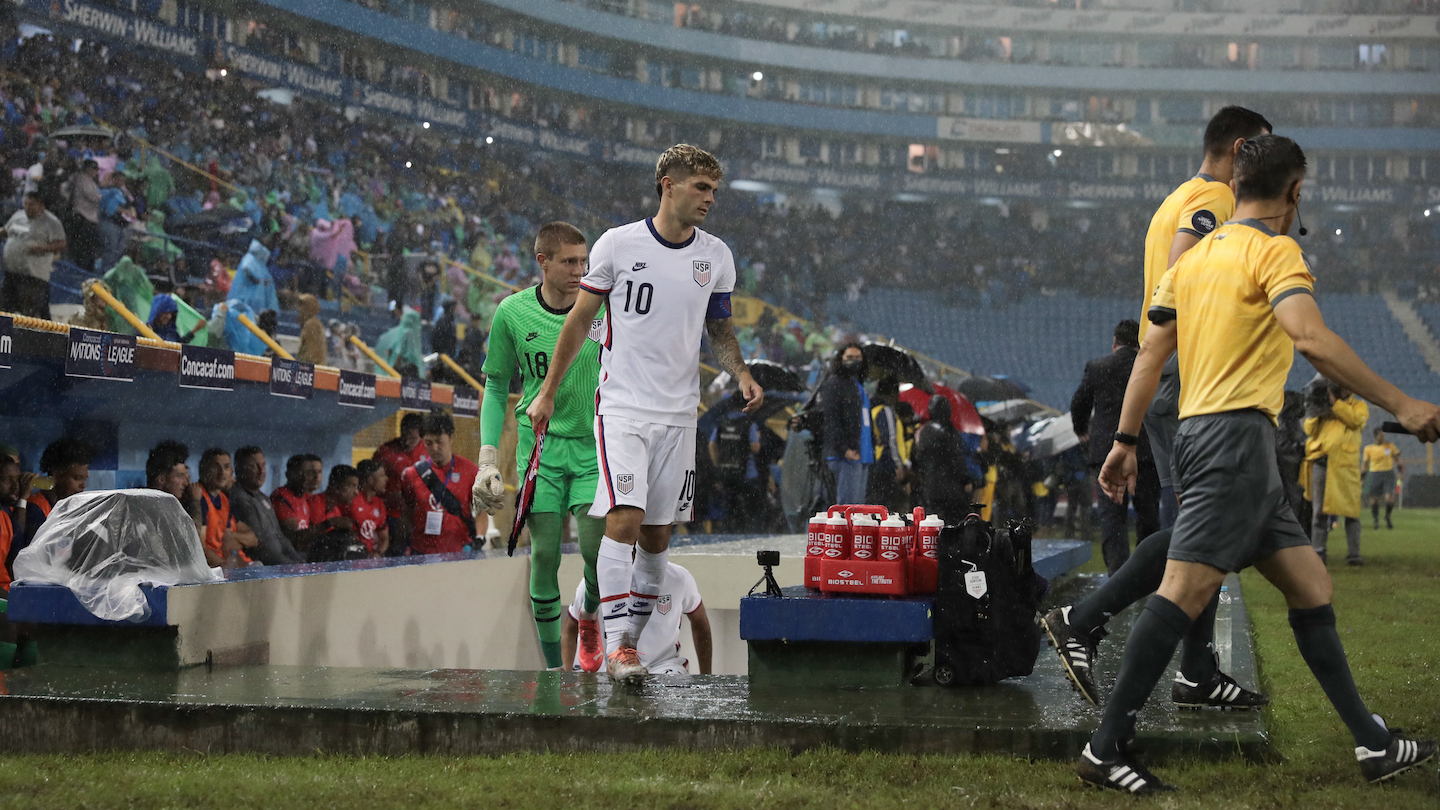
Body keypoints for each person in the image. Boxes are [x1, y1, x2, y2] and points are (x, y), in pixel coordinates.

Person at [1078, 135, 1437, 793]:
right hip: (1234, 442)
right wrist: (1402, 402)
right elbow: (1308, 336)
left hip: (1210, 436)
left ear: (1236, 186)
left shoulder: (1189, 261)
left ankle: (1374, 745)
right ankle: (1106, 749)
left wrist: (1124, 442)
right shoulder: (1277, 252)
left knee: (1310, 586)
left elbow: (1152, 356)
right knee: (1183, 591)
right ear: (1295, 191)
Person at [1043, 107, 1274, 711]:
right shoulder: (1217, 201)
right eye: (1264, 152)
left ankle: (1196, 671)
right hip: (1188, 375)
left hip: (1173, 376)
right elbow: (1183, 263)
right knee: (1197, 530)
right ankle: (1083, 619)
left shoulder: (1176, 196)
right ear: (1242, 148)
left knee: (1200, 529)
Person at [526, 144, 763, 684]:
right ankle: (616, 645)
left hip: (681, 415)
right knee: (624, 520)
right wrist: (547, 392)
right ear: (668, 185)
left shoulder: (716, 256)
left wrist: (742, 371)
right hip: (623, 408)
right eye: (700, 187)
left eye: (714, 191)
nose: (709, 199)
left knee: (658, 538)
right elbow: (577, 321)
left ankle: (628, 644)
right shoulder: (618, 244)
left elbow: (719, 329)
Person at [472, 221, 607, 673]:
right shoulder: (512, 313)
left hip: (593, 449)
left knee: (596, 555)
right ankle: (554, 672)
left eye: (584, 261)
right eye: (569, 261)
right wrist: (487, 459)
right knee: (544, 554)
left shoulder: (605, 309)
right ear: (542, 262)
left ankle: (586, 614)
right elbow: (495, 386)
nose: (579, 270)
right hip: (539, 451)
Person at [1070, 320, 1161, 574]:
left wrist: (1082, 432)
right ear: (1140, 342)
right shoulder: (1151, 366)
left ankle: (1118, 574)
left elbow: (1078, 403)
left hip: (1106, 451)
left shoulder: (1098, 367)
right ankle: (1147, 571)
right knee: (1149, 515)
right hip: (1146, 452)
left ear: (1114, 342)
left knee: (1112, 517)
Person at [560, 561, 710, 675]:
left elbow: (700, 623)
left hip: (662, 666)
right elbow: (570, 629)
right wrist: (566, 681)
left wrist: (707, 678)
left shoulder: (679, 577)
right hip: (604, 668)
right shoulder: (594, 581)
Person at [1301, 383, 1368, 565]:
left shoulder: (1359, 406)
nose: (1341, 390)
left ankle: (1354, 555)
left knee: (1351, 512)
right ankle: (1318, 554)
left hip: (1345, 466)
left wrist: (1335, 404)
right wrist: (1317, 411)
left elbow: (1355, 420)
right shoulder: (1322, 407)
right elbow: (1309, 429)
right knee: (1319, 513)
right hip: (1321, 462)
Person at [400, 412, 479, 555]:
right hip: (421, 552)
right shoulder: (412, 475)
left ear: (451, 438)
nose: (435, 448)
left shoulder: (470, 471)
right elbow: (407, 513)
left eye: (439, 441)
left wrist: (480, 538)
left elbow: (481, 511)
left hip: (458, 551)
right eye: (428, 443)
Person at [228, 446, 305, 566]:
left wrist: (296, 560)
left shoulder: (263, 498)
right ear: (238, 469)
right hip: (262, 567)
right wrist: (290, 566)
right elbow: (261, 547)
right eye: (254, 466)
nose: (261, 471)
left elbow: (279, 536)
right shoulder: (238, 498)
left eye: (263, 465)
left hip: (281, 562)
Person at [817, 342, 872, 505]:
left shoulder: (858, 385)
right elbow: (831, 419)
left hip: (862, 454)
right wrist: (844, 448)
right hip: (845, 455)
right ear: (840, 359)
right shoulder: (835, 383)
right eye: (849, 357)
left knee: (857, 509)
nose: (854, 361)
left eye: (857, 358)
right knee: (846, 509)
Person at [1, 192, 67, 319]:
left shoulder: (51, 222)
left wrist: (43, 248)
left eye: (31, 205)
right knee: (4, 310)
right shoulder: (18, 215)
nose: (27, 207)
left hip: (33, 277)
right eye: (25, 203)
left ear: (41, 206)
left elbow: (62, 243)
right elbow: (6, 231)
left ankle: (34, 338)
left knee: (31, 315)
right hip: (12, 273)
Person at [910, 395, 974, 524]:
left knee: (933, 522)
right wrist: (965, 479)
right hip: (951, 486)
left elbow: (916, 457)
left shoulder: (923, 431)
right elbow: (956, 457)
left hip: (930, 485)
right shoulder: (950, 431)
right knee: (953, 523)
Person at [22, 437, 92, 549]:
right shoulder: (35, 509)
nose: (83, 486)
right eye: (77, 478)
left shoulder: (68, 508)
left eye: (84, 479)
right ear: (57, 475)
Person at [196, 448, 259, 569]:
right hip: (213, 570)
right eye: (216, 467)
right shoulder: (199, 497)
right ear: (203, 469)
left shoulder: (224, 499)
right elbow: (200, 549)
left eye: (226, 467)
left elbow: (229, 543)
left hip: (226, 565)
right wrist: (226, 567)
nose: (222, 472)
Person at [374, 413, 428, 554]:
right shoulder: (386, 452)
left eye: (412, 438)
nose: (407, 441)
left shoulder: (429, 452)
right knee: (395, 554)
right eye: (404, 435)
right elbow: (369, 482)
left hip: (420, 515)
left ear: (421, 436)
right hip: (393, 515)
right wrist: (389, 496)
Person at [708, 394, 763, 533]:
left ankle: (728, 535)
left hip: (727, 472)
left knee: (728, 508)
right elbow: (755, 447)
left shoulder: (722, 422)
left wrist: (718, 463)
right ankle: (746, 535)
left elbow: (712, 444)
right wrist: (758, 438)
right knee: (749, 510)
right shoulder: (749, 424)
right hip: (747, 473)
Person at [271, 454, 334, 554]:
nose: (306, 478)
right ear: (289, 474)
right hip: (291, 557)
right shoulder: (281, 497)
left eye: (308, 473)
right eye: (302, 473)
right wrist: (329, 523)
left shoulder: (305, 499)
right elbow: (294, 539)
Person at [866, 377, 907, 512]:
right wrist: (897, 464)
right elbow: (890, 439)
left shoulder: (871, 409)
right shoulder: (885, 410)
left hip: (873, 462)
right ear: (892, 394)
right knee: (886, 506)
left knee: (874, 504)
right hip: (885, 464)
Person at [64, 159, 101, 271]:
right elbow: (94, 197)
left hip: (87, 217)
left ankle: (84, 267)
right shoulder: (82, 179)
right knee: (83, 246)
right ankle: (81, 269)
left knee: (86, 246)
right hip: (83, 217)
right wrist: (101, 196)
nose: (96, 172)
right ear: (89, 169)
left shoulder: (88, 180)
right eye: (94, 169)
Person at [1362, 428, 1401, 531]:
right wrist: (1362, 478)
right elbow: (1365, 465)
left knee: (1389, 497)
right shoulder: (1368, 449)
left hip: (1388, 473)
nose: (1383, 437)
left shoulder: (1390, 446)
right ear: (1376, 436)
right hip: (1375, 474)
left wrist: (1400, 470)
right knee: (1375, 499)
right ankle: (1376, 520)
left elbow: (1397, 459)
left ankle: (1387, 516)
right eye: (1381, 435)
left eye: (1384, 435)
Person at [350, 459, 390, 557]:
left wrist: (377, 553)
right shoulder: (351, 500)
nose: (386, 479)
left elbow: (384, 538)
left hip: (368, 559)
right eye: (382, 476)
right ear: (370, 480)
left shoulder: (378, 503)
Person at [296, 293, 327, 365]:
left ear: (309, 307)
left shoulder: (312, 324)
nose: (298, 309)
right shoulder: (312, 323)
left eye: (301, 305)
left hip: (313, 370)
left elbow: (312, 356)